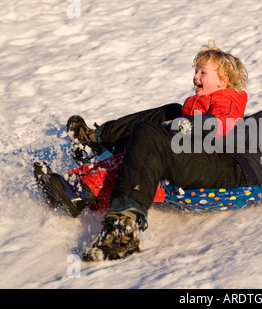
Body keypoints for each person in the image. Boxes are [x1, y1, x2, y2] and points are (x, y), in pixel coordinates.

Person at [79, 58, 262, 261]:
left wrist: (184, 128)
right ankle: (97, 140)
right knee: (172, 112)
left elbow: (246, 135)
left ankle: (125, 228)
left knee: (153, 134)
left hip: (234, 170)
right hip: (227, 159)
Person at [34, 41, 248, 217]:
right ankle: (72, 178)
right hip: (184, 148)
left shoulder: (229, 98)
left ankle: (79, 193)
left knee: (140, 157)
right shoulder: (202, 99)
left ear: (223, 81)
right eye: (195, 71)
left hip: (199, 159)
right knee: (154, 129)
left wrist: (183, 126)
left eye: (203, 72)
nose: (196, 76)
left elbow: (222, 124)